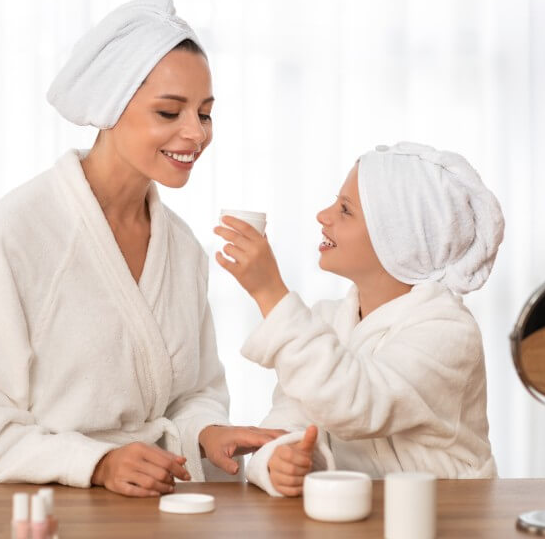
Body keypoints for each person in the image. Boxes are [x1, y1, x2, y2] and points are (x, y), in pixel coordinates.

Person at [0, 0, 282, 497]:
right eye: (169, 112)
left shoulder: (182, 248)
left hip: (153, 506)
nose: (195, 134)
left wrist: (207, 432)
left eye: (205, 114)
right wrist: (98, 462)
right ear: (109, 106)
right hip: (43, 509)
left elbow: (195, 392)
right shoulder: (11, 236)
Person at [213, 142, 505, 496]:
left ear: (399, 238)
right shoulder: (328, 319)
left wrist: (269, 292)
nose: (324, 215)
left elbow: (356, 403)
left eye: (345, 210)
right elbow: (289, 417)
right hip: (358, 514)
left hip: (445, 517)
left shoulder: (449, 331)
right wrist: (278, 458)